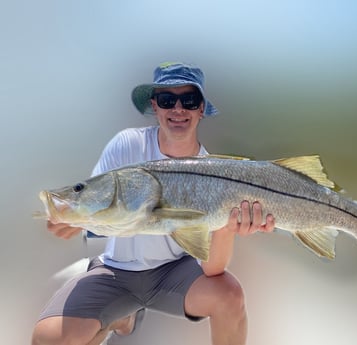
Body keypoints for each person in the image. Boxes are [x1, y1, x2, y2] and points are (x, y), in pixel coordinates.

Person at [32, 62, 276, 345]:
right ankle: (122, 315)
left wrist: (226, 227)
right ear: (155, 106)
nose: (178, 109)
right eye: (167, 100)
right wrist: (77, 218)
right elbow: (101, 212)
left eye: (189, 100)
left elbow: (212, 269)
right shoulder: (126, 145)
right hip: (116, 271)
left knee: (230, 296)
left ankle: (121, 314)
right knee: (46, 340)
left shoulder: (217, 173)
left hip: (174, 273)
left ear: (201, 109)